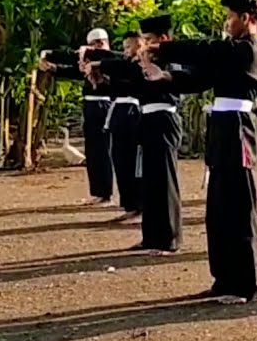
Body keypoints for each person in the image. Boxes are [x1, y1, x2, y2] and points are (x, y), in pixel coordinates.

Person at [148, 0, 257, 304]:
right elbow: (201, 78)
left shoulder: (246, 51)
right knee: (218, 210)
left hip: (238, 129)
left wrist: (167, 48)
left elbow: (208, 51)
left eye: (231, 16)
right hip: (222, 129)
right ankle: (225, 280)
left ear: (247, 18)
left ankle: (245, 285)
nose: (227, 23)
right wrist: (167, 77)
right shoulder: (232, 54)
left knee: (240, 210)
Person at [87, 15, 183, 254]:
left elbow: (125, 67)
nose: (146, 45)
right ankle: (152, 237)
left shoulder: (170, 61)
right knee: (149, 182)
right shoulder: (146, 63)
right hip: (147, 120)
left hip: (163, 119)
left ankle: (169, 239)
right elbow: (130, 78)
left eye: (149, 40)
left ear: (164, 39)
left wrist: (100, 65)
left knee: (164, 182)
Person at [41, 28, 116, 205]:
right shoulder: (89, 61)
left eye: (98, 43)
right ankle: (98, 192)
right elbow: (73, 70)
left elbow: (73, 58)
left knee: (103, 150)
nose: (95, 47)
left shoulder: (112, 59)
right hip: (90, 105)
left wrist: (52, 55)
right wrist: (52, 68)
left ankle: (106, 193)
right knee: (92, 149)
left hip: (104, 104)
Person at [106, 31, 145, 222]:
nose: (126, 51)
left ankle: (139, 205)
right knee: (120, 158)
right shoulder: (125, 65)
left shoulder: (142, 65)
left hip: (135, 113)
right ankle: (129, 204)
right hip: (120, 112)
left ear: (140, 45)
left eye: (129, 47)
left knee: (133, 160)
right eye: (124, 48)